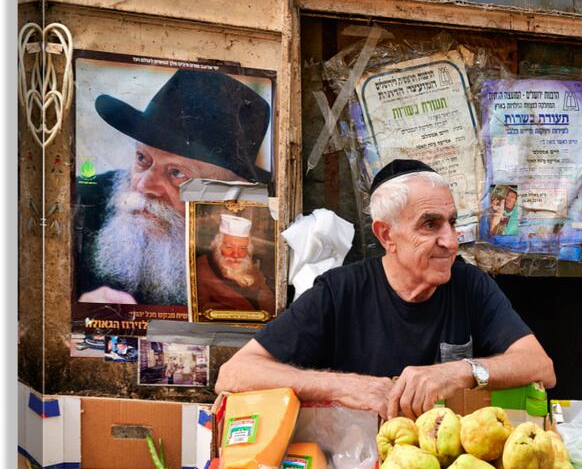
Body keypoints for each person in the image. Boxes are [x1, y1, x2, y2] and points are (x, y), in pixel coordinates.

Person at [216, 159, 555, 419]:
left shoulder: (471, 286)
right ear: (386, 235)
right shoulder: (339, 291)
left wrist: (461, 372)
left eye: (452, 222)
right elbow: (235, 373)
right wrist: (344, 385)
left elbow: (541, 367)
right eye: (430, 225)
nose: (450, 242)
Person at [75, 69, 271, 306]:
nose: (144, 186)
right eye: (142, 159)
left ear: (228, 191)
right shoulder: (81, 203)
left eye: (176, 173)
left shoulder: (261, 241)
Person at [195, 214, 275, 314]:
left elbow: (268, 299)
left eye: (242, 248)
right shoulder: (203, 267)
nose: (236, 255)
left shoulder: (249, 266)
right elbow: (201, 310)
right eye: (229, 247)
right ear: (218, 246)